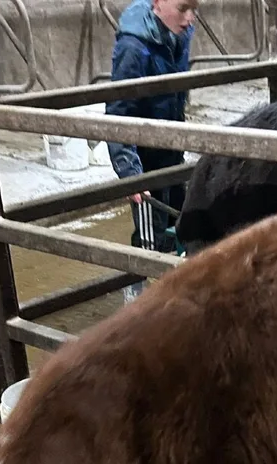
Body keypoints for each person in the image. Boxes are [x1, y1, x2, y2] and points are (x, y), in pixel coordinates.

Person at [105, 0, 198, 302]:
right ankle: (137, 304)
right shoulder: (135, 47)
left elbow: (176, 95)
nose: (189, 18)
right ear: (158, 2)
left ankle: (174, 298)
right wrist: (131, 174)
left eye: (194, 8)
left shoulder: (179, 36)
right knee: (149, 239)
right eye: (183, 8)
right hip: (145, 162)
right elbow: (119, 112)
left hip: (171, 155)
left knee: (182, 225)